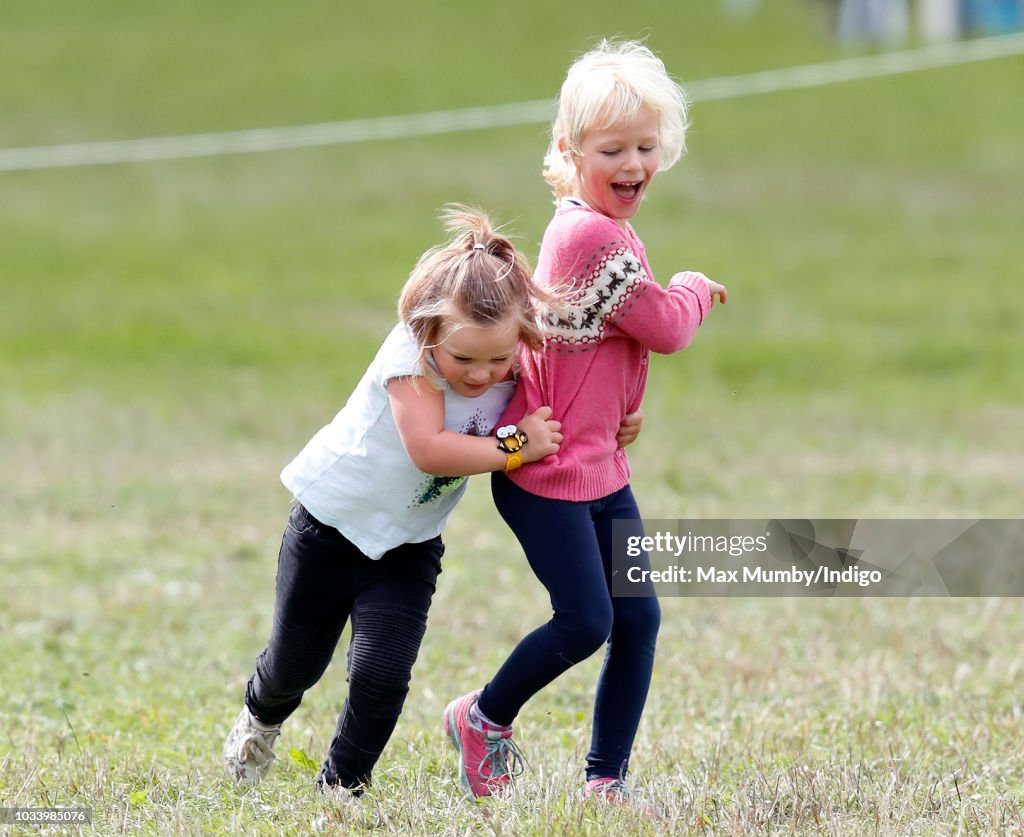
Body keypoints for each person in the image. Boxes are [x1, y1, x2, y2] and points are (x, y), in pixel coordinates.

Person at [222, 205, 643, 796]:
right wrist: (517, 446)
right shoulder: (410, 358)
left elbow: (575, 395)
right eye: (464, 360)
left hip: (408, 546)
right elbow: (429, 448)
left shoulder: (513, 360)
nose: (481, 374)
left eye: (498, 360)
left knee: (382, 677)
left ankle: (341, 790)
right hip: (330, 529)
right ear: (428, 333)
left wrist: (616, 422)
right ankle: (260, 719)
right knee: (297, 665)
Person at [443, 40, 728, 806]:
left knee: (638, 619)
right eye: (613, 149)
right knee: (587, 619)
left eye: (646, 146)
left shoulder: (604, 227)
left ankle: (606, 778)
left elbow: (603, 342)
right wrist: (695, 288)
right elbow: (664, 325)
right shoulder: (592, 236)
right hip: (546, 476)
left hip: (596, 466)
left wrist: (619, 412)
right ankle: (482, 715)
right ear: (570, 154)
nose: (633, 162)